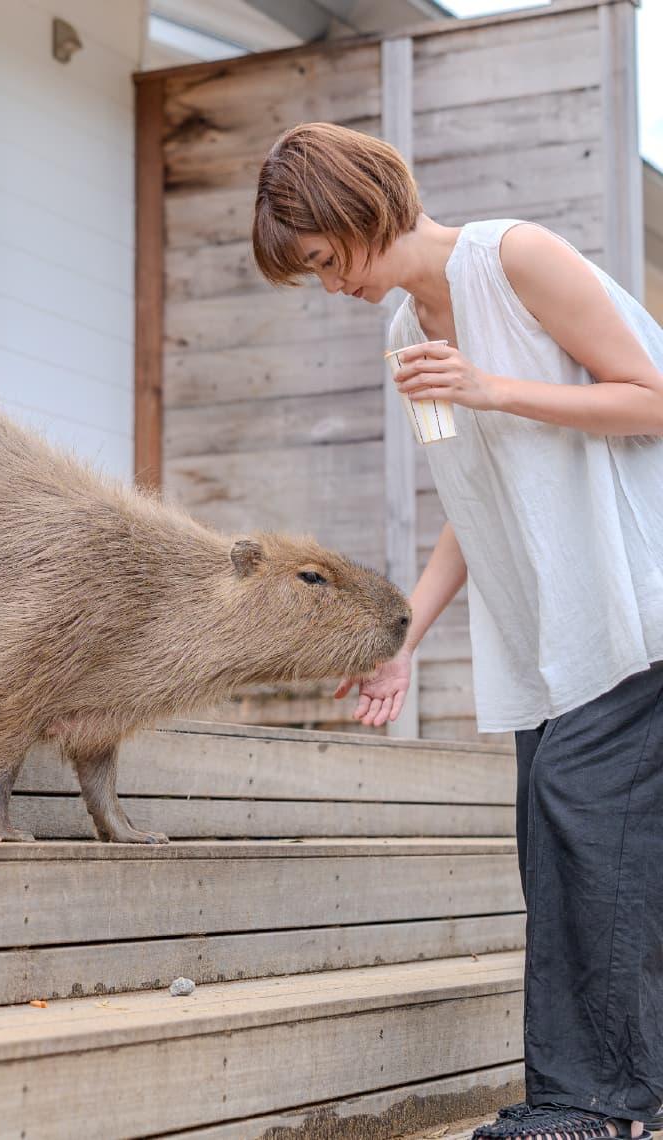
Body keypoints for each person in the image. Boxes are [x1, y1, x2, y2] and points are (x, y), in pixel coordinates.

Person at [252, 121, 663, 1140]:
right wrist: (404, 637)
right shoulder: (406, 337)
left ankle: (591, 1107)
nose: (326, 282)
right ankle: (597, 1092)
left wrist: (493, 386)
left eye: (318, 256)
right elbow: (471, 498)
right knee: (559, 845)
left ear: (356, 207)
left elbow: (653, 399)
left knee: (583, 829)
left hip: (633, 601)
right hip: (548, 632)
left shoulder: (514, 257)